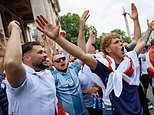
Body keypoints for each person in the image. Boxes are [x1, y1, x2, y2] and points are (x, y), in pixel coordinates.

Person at [35, 5, 154, 114]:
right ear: (108, 49)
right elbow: (82, 55)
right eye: (117, 42)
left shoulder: (130, 59)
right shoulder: (105, 67)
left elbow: (141, 41)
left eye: (121, 42)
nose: (122, 44)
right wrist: (57, 38)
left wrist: (147, 27)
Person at [4, 21, 57, 115]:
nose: (45, 55)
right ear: (26, 58)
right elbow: (12, 62)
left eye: (44, 52)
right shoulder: (22, 78)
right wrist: (15, 29)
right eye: (40, 52)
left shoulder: (46, 73)